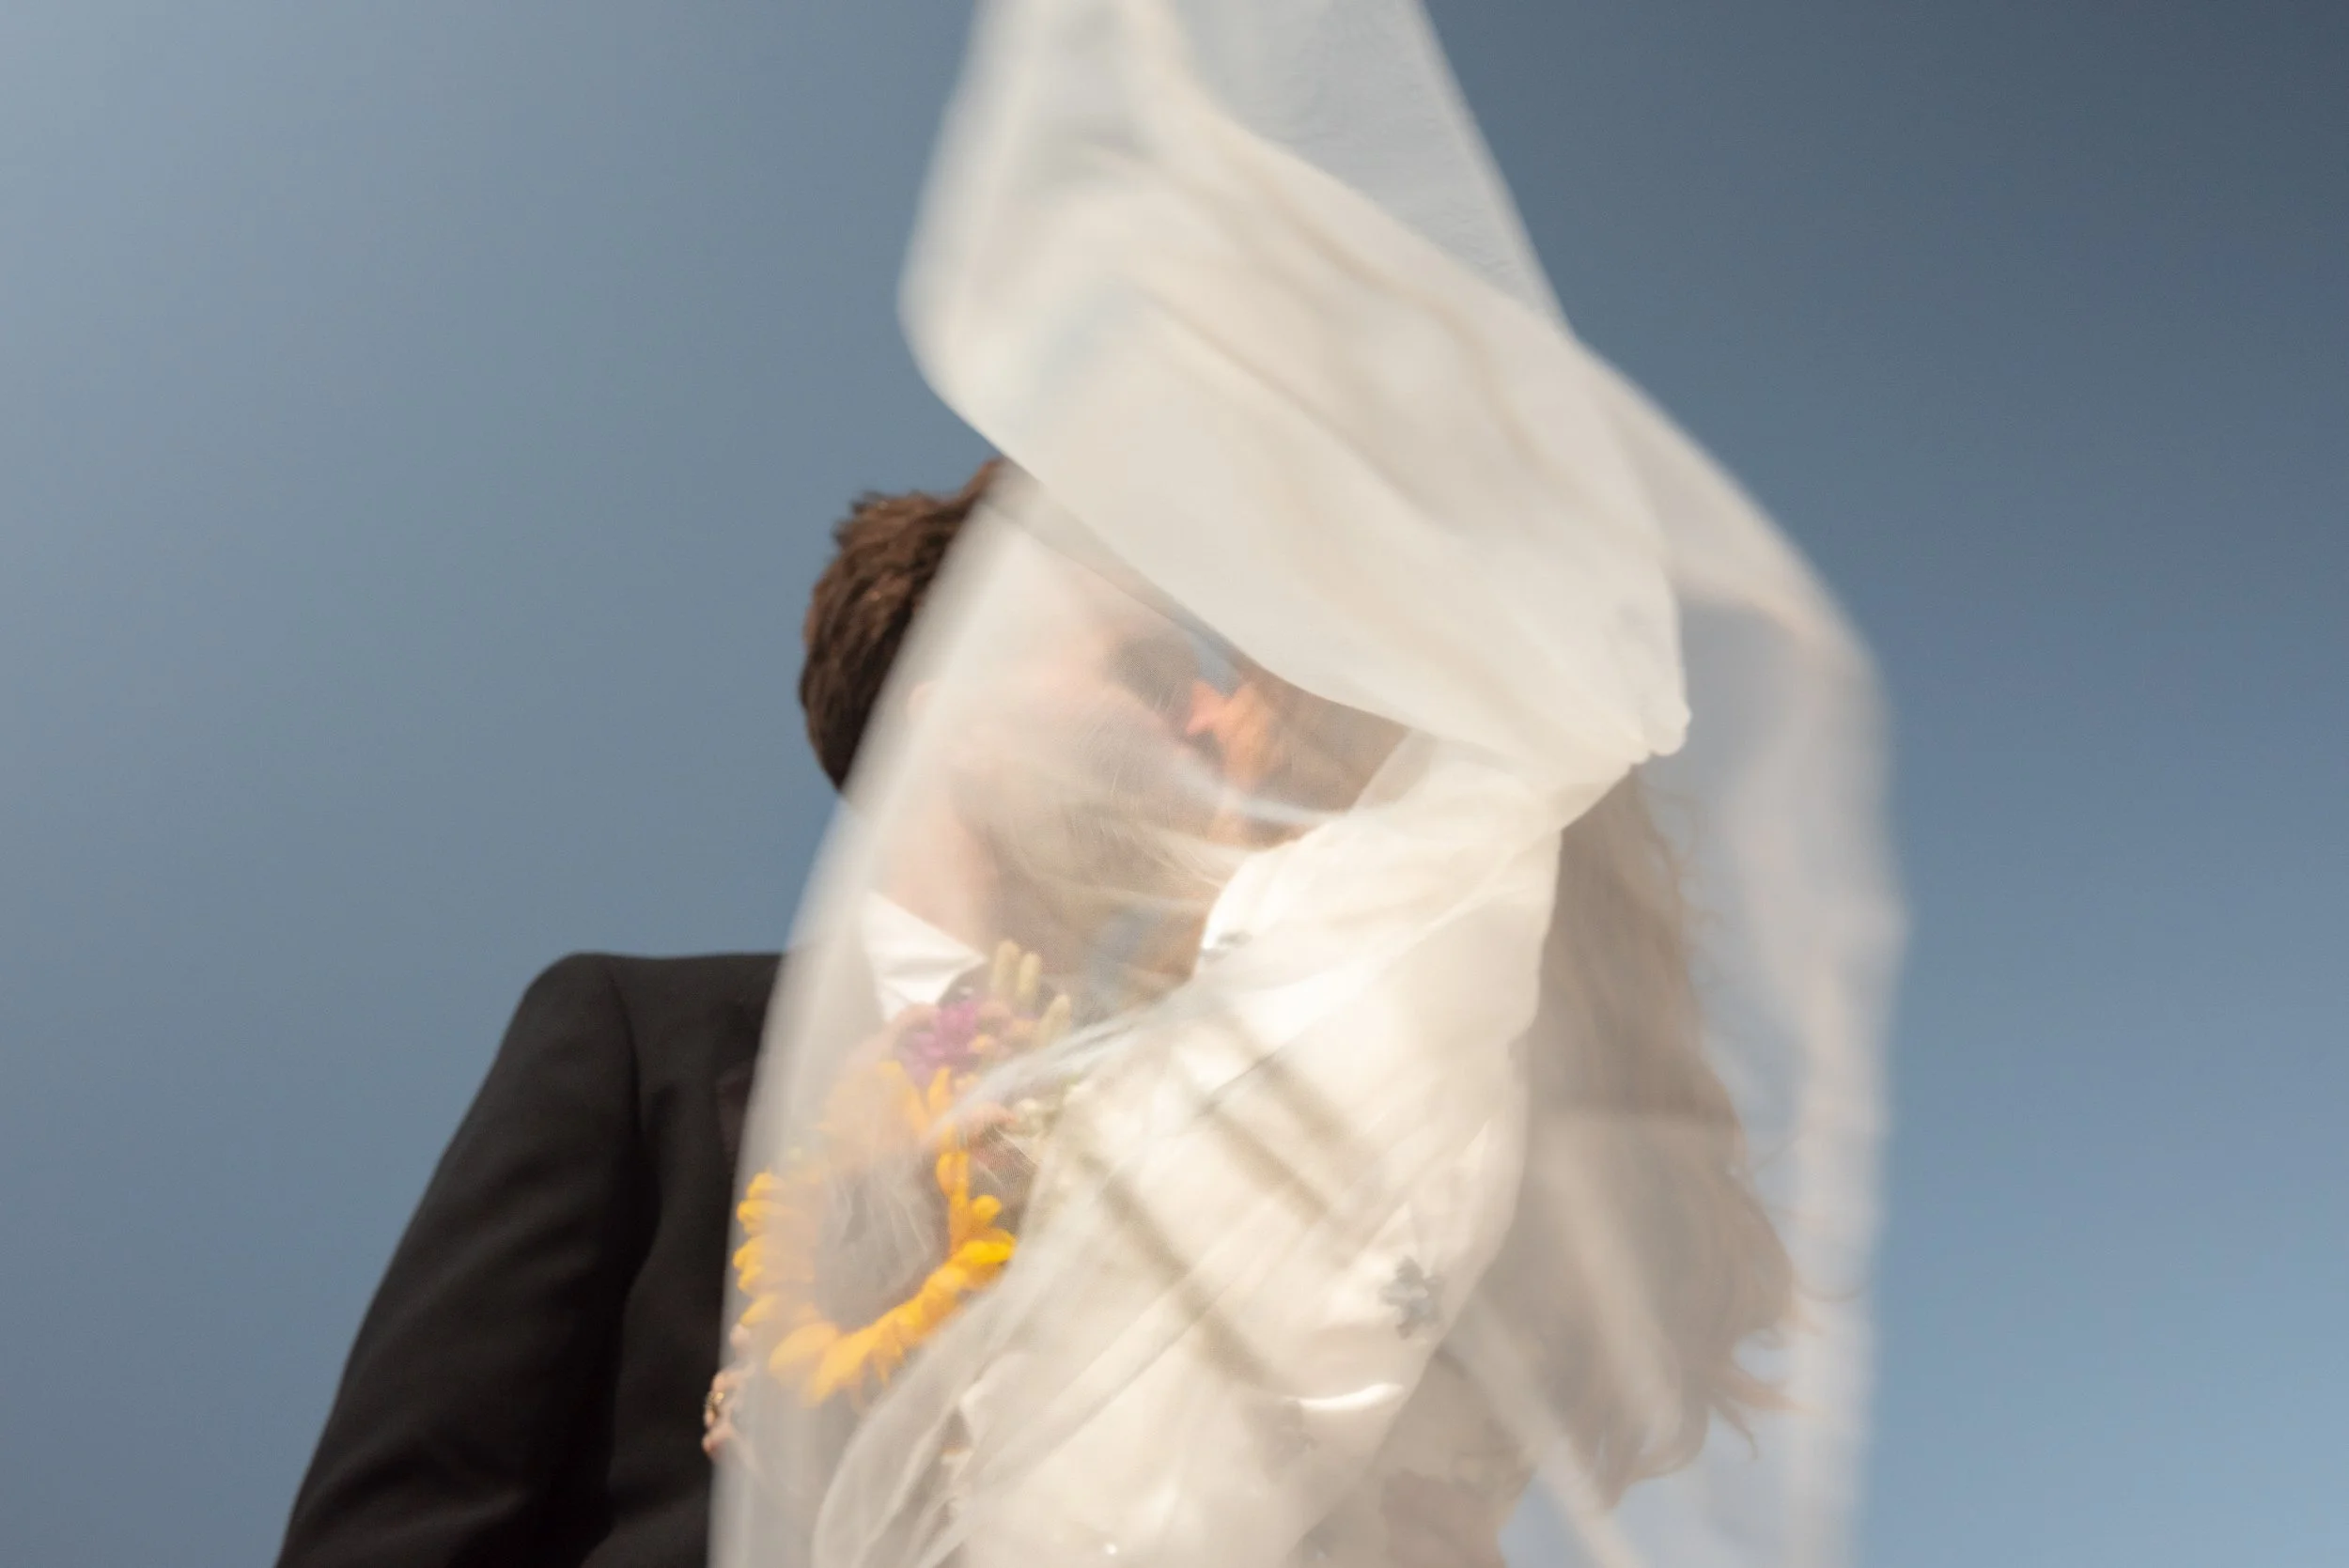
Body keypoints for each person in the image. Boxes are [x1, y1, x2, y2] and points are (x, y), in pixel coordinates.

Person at [275, 461, 1005, 1568]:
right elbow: (400, 1522)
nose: (1198, 717)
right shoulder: (638, 1037)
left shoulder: (1203, 1075)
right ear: (953, 703)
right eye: (1146, 673)